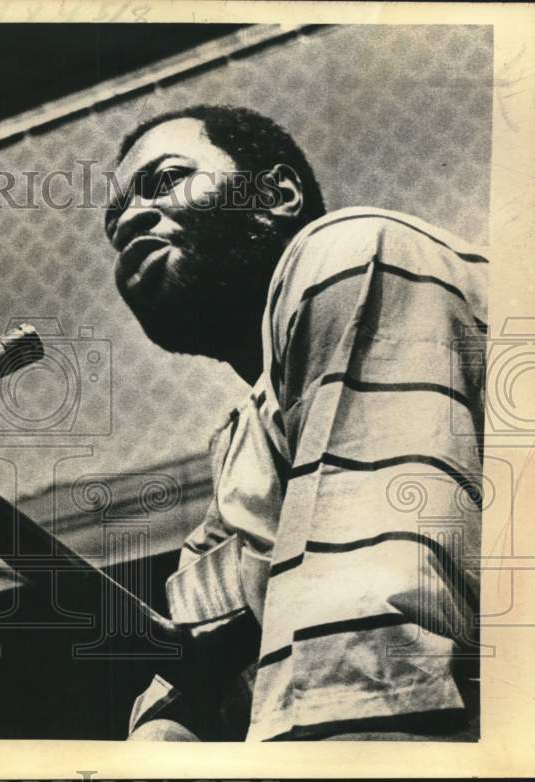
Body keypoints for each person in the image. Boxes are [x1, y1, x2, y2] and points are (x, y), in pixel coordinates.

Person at [104, 105, 485, 741]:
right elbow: (189, 675)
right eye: (114, 225)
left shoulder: (352, 248)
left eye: (166, 179)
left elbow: (363, 662)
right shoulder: (242, 444)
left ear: (277, 195)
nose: (130, 222)